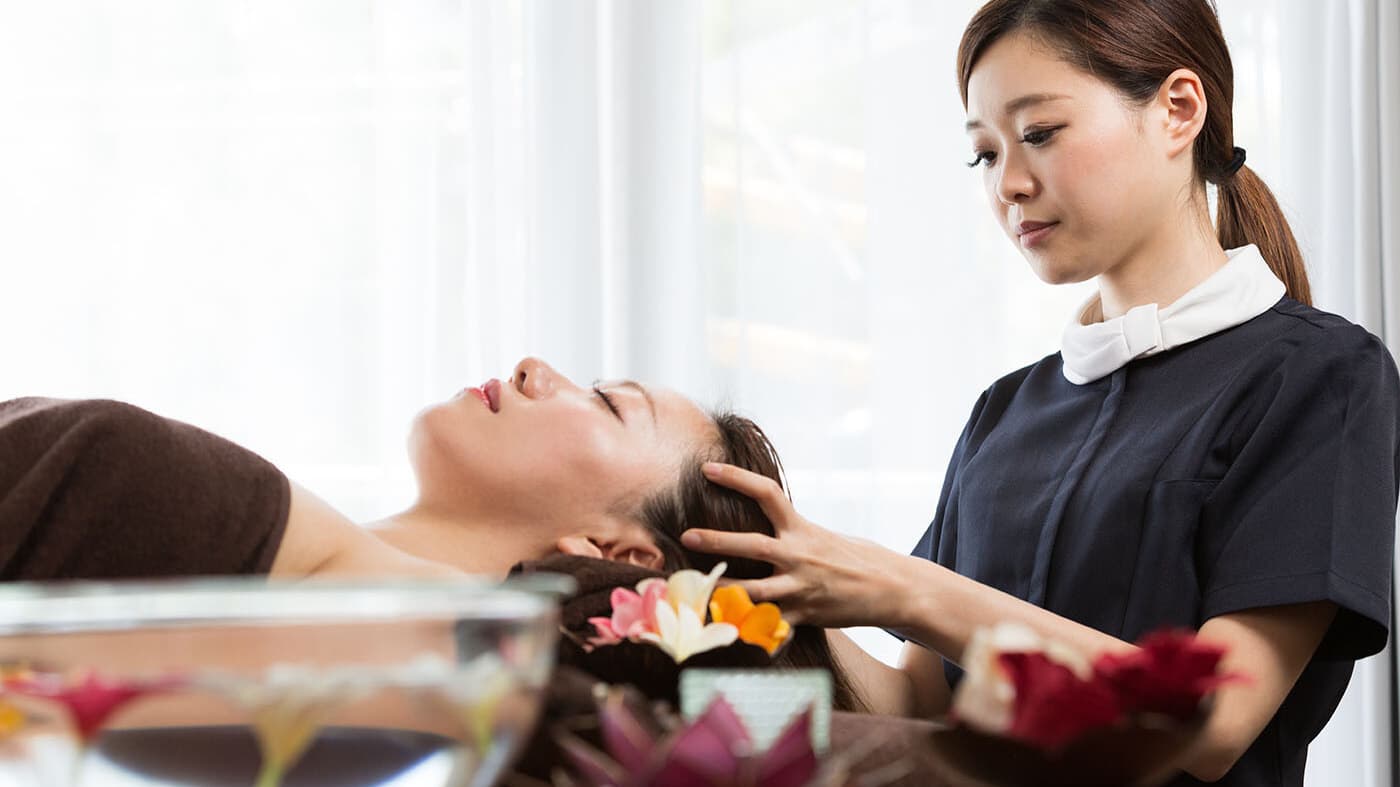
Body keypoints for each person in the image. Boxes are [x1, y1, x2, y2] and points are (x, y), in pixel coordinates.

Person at [679, 1, 1400, 784]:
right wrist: (715, 626)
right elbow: (917, 703)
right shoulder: (1004, 413)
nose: (1010, 184)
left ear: (1178, 110)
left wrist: (899, 588)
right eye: (985, 155)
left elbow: (1211, 721)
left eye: (1041, 133)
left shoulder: (1321, 377)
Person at [0, 356, 860, 708]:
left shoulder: (467, 655)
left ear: (617, 556)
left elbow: (864, 701)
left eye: (606, 403)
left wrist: (895, 595)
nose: (534, 368)